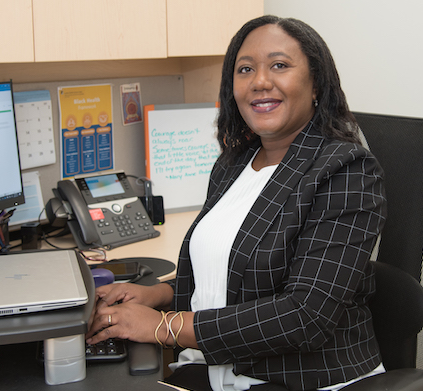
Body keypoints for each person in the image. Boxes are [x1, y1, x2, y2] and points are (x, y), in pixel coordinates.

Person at [86, 15, 387, 391]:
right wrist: (157, 296)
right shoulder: (234, 163)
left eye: (279, 65)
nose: (260, 82)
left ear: (316, 85)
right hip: (218, 370)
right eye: (246, 69)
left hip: (302, 378)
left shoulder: (346, 170)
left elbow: (304, 316)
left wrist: (162, 326)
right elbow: (237, 270)